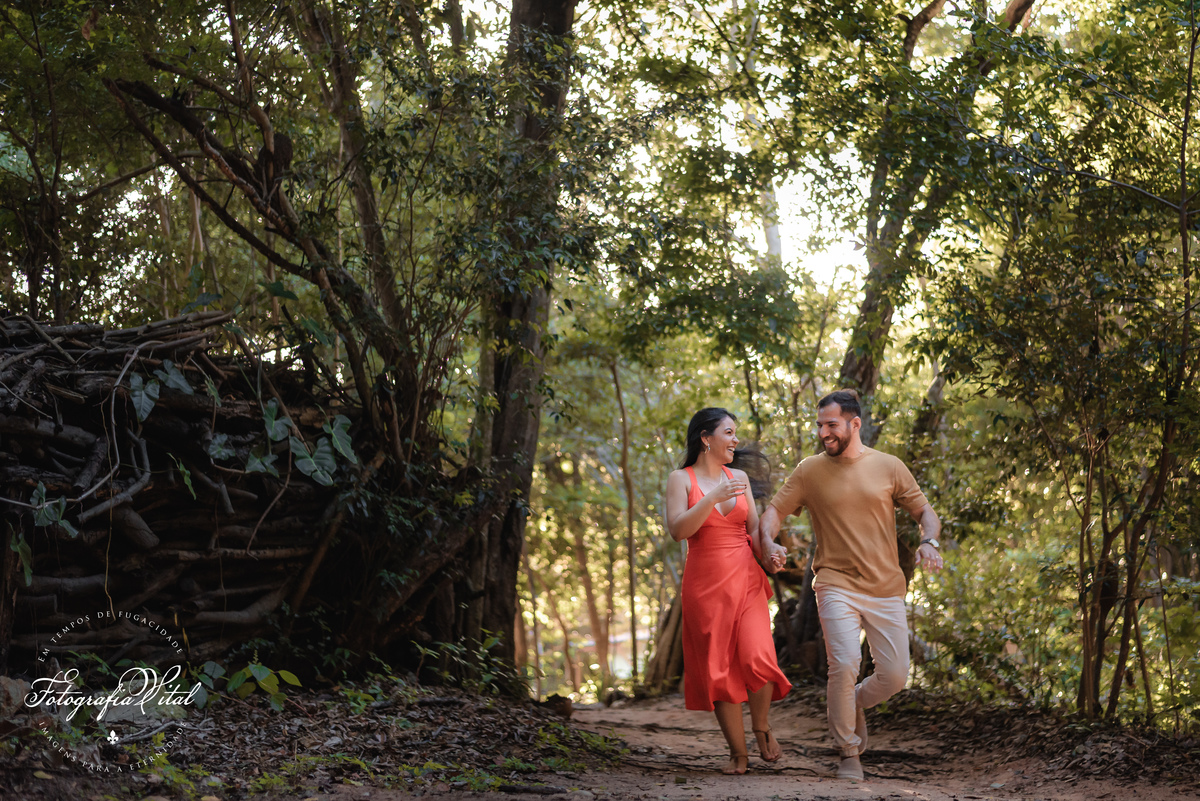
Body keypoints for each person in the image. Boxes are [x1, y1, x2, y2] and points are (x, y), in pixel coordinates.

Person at [758, 389, 944, 781]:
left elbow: (925, 512)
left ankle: (854, 701)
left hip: (885, 586)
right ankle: (848, 752)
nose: (823, 432)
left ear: (854, 424)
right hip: (834, 583)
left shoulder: (889, 466)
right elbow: (773, 511)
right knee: (843, 665)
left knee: (895, 676)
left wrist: (929, 541)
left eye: (831, 425)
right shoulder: (809, 470)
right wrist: (769, 541)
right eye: (819, 425)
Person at [664, 408, 792, 775]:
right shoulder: (680, 479)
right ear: (706, 438)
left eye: (736, 433)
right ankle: (738, 754)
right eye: (729, 432)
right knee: (718, 669)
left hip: (746, 579)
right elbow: (678, 531)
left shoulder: (739, 477)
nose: (736, 440)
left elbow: (753, 531)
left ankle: (761, 726)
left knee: (759, 656)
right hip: (705, 586)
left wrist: (771, 551)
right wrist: (711, 497)